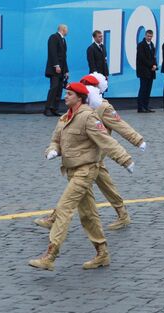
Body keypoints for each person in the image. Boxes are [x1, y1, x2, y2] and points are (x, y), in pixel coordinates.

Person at [28, 82, 134, 272]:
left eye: (69, 94)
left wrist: (125, 160)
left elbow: (106, 141)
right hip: (71, 171)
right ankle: (102, 253)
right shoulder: (63, 119)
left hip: (86, 170)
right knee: (88, 215)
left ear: (79, 97)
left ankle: (50, 256)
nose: (65, 96)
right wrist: (52, 151)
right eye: (66, 93)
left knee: (64, 209)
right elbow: (55, 140)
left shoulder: (88, 117)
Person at [37, 73, 147, 232]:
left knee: (78, 188)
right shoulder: (78, 107)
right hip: (84, 155)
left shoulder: (103, 107)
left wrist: (138, 140)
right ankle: (121, 214)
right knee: (100, 186)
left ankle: (55, 218)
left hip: (96, 156)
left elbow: (120, 125)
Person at [44, 24, 69, 116]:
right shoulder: (54, 37)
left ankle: (54, 109)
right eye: (67, 29)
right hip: (55, 69)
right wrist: (56, 65)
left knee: (59, 89)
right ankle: (47, 109)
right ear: (63, 29)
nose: (67, 31)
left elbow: (64, 57)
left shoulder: (63, 40)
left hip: (61, 70)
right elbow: (52, 52)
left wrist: (66, 70)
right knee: (54, 88)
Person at [135, 29, 157, 113]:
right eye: (148, 36)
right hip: (143, 70)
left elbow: (154, 56)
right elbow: (142, 58)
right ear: (145, 35)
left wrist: (155, 65)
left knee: (148, 89)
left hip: (151, 71)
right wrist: (151, 65)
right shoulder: (141, 45)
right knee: (143, 89)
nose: (149, 38)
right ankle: (140, 107)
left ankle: (146, 106)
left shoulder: (152, 45)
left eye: (151, 36)